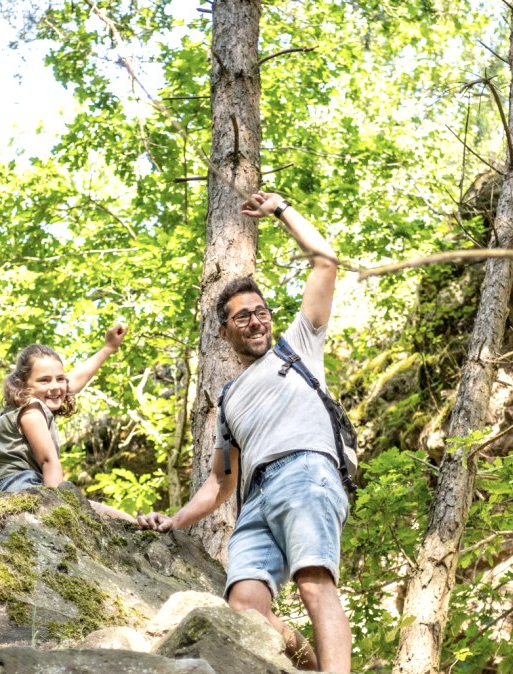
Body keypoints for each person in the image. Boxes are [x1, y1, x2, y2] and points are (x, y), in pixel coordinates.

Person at [136, 192, 353, 673]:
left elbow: (326, 262)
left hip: (307, 471)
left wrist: (281, 210)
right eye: (242, 317)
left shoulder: (298, 347)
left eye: (261, 312)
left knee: (315, 581)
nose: (256, 322)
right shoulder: (229, 399)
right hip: (253, 500)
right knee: (245, 608)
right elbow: (219, 482)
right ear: (224, 332)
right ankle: (311, 665)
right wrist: (175, 521)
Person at [0, 327, 139, 523]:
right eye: (44, 380)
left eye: (60, 379)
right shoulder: (31, 411)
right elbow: (48, 461)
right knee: (84, 511)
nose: (55, 387)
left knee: (123, 519)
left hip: (24, 485)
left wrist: (108, 348)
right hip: (17, 486)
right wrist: (59, 514)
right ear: (21, 384)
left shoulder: (37, 400)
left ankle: (134, 524)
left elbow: (76, 380)